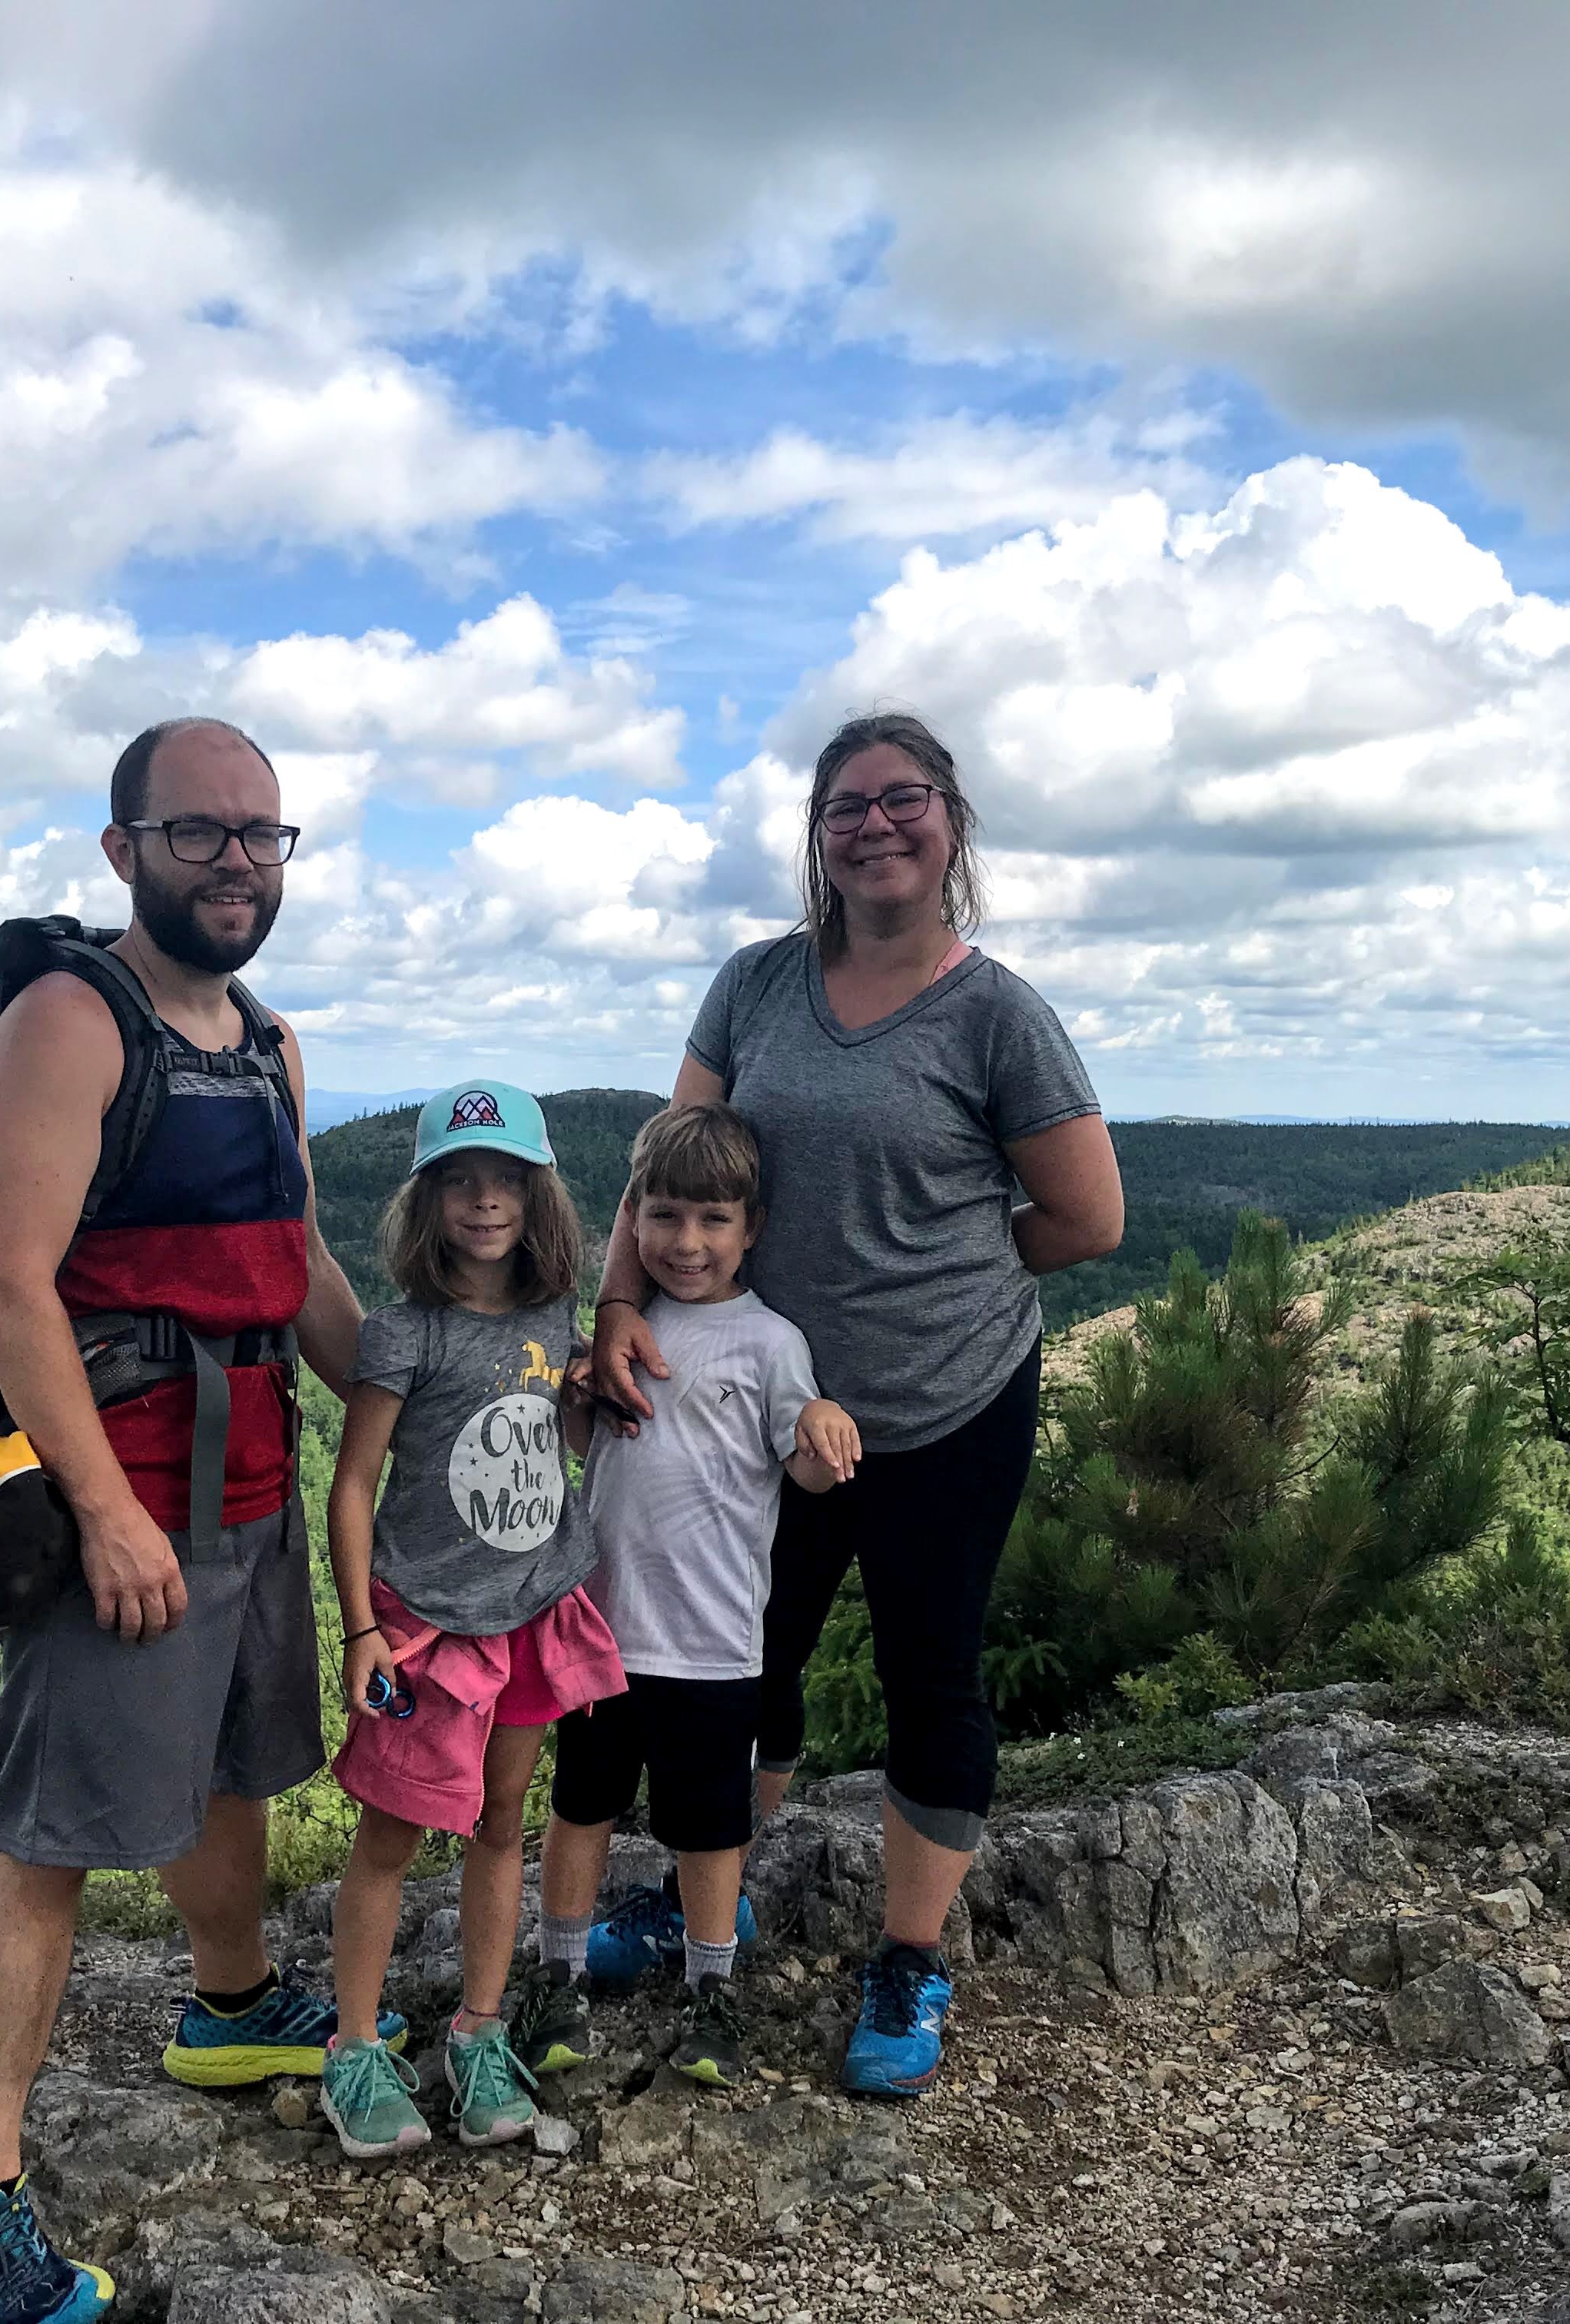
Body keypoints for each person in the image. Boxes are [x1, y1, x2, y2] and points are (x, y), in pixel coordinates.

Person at [0, 718, 393, 2324]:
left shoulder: (267, 1040)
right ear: (126, 850)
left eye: (264, 836)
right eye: (201, 834)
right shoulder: (71, 1021)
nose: (239, 863)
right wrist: (108, 1512)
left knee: (232, 1766)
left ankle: (230, 2006)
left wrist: (441, 1393)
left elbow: (302, 1267)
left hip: (254, 1480)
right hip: (116, 1498)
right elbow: (6, 1279)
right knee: (50, 1830)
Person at [589, 710, 1124, 2100]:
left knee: (927, 1672)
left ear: (951, 822)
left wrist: (941, 1273)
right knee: (738, 1655)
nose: (876, 826)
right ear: (816, 835)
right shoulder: (757, 983)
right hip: (755, 1405)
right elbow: (664, 1164)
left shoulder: (994, 1010)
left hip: (946, 1402)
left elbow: (1085, 1215)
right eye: (847, 807)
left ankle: (906, 1953)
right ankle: (721, 1892)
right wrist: (617, 1307)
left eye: (905, 801)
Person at [516, 1103, 859, 2088]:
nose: (688, 1242)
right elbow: (587, 1459)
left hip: (713, 1642)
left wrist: (823, 1429)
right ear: (635, 1223)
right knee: (581, 1806)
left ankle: (714, 1991)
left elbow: (796, 1460)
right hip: (601, 1632)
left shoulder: (769, 1344)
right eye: (664, 1217)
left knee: (710, 1826)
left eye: (713, 1220)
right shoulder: (625, 1331)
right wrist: (578, 1400)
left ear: (752, 1228)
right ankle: (560, 1976)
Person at [318, 1082, 627, 2158]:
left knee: (504, 1823)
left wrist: (588, 1390)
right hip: (430, 1624)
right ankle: (355, 2051)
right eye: (459, 1181)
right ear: (427, 1200)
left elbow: (564, 1445)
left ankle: (480, 2034)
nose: (484, 1201)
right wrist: (362, 1629)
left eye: (505, 1180)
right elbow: (353, 1485)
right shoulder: (403, 1336)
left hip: (534, 1610)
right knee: (393, 1832)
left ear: (539, 1198)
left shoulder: (555, 1319)